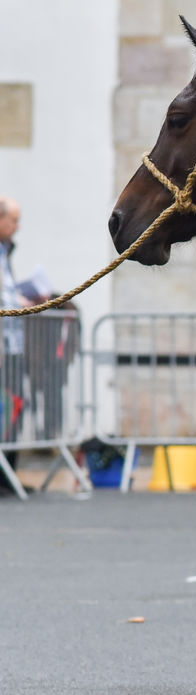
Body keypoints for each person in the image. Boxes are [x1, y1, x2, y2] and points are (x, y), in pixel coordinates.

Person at [1, 196, 30, 495]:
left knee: (13, 407)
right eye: (13, 220)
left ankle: (8, 473)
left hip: (12, 343)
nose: (17, 226)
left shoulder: (6, 251)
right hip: (3, 342)